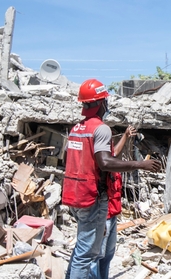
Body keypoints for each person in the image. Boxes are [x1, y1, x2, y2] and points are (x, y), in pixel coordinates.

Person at [63, 79, 161, 279]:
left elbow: (80, 159)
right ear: (101, 103)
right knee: (87, 254)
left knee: (82, 249)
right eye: (105, 101)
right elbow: (105, 162)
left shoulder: (76, 129)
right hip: (92, 198)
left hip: (75, 195)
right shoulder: (101, 129)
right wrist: (140, 164)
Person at [89, 125, 137, 279]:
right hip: (103, 214)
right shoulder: (103, 164)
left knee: (108, 254)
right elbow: (112, 156)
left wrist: (126, 136)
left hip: (113, 213)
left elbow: (115, 152)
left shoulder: (111, 160)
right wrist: (139, 164)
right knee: (96, 255)